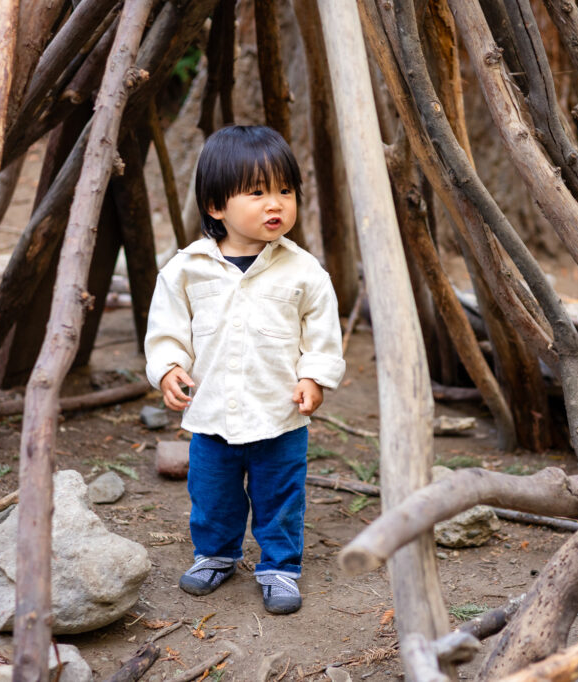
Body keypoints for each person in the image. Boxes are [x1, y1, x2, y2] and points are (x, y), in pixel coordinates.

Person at [144, 125, 345, 614]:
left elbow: (321, 334)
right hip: (212, 414)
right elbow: (168, 329)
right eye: (257, 193)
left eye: (284, 191)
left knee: (281, 494)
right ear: (216, 206)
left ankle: (280, 566)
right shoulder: (185, 270)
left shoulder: (304, 272)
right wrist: (169, 368)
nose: (274, 204)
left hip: (279, 415)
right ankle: (215, 554)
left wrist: (313, 377)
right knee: (212, 494)